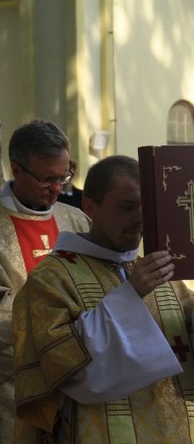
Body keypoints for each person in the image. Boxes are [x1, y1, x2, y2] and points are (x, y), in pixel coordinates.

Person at [13, 155, 194, 442]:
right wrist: (130, 296)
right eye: (127, 207)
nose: (140, 218)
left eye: (146, 206)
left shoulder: (162, 273)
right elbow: (64, 370)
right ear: (90, 206)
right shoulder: (52, 278)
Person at [0, 120, 91, 444]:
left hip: (77, 379)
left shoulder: (76, 220)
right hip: (14, 387)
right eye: (47, 178)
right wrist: (57, 329)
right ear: (17, 168)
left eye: (64, 176)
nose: (58, 188)